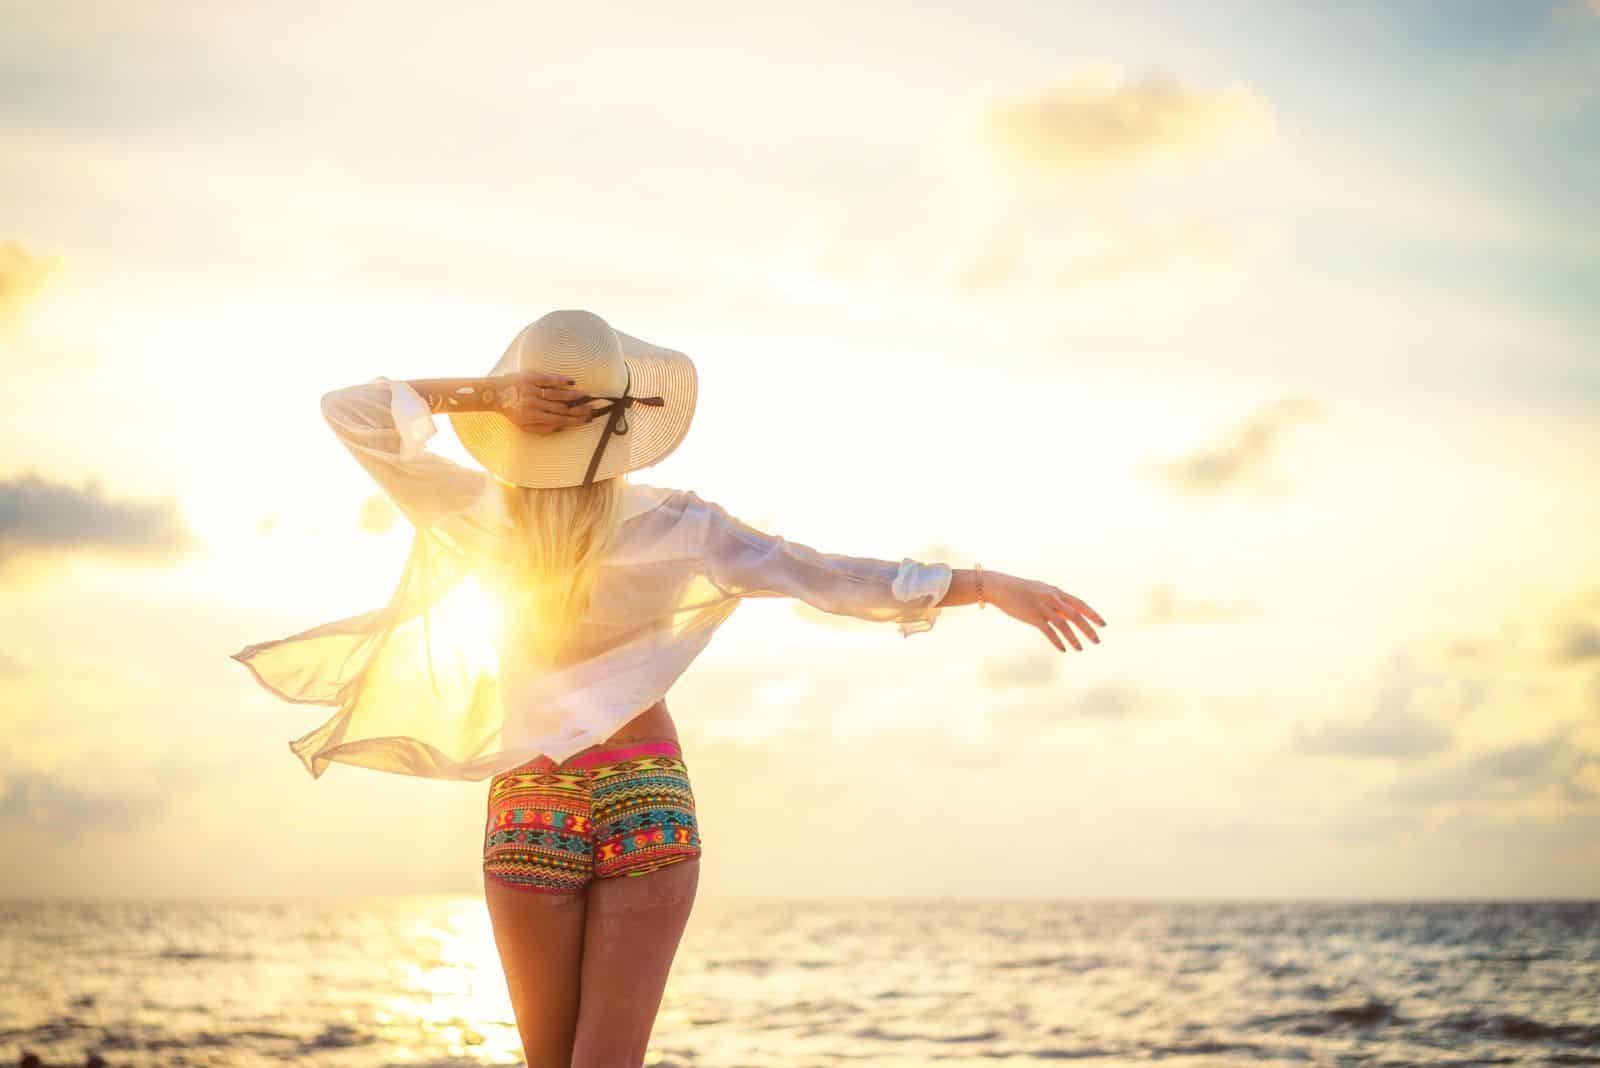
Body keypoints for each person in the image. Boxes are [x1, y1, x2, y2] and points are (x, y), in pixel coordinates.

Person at [230, 309, 1106, 1068]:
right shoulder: (684, 526)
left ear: (524, 419)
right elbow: (834, 578)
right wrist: (984, 584)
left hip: (531, 795)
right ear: (618, 421)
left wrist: (485, 395)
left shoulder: (471, 509)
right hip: (644, 788)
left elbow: (348, 410)